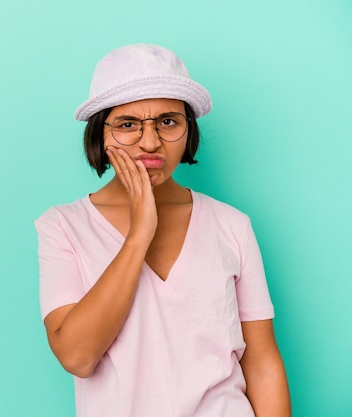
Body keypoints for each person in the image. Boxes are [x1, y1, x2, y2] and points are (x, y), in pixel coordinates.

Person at [35, 44, 291, 417]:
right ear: (100, 134)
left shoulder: (231, 224)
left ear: (188, 130)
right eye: (127, 125)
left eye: (168, 121)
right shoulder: (62, 226)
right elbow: (77, 357)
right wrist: (141, 231)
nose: (151, 141)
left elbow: (262, 361)